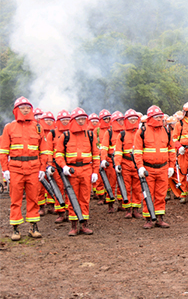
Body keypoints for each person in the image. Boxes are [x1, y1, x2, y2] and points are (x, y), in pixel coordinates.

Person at [0, 97, 48, 241]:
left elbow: (44, 150)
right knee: (15, 199)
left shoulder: (38, 127)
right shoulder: (9, 127)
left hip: (33, 168)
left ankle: (33, 228)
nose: (26, 110)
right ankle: (16, 229)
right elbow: (3, 151)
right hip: (15, 168)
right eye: (22, 107)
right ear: (16, 110)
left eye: (28, 107)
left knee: (33, 198)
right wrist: (5, 169)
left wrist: (42, 168)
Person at [55, 108, 100, 236]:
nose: (81, 121)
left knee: (85, 198)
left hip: (87, 169)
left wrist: (95, 171)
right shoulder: (65, 136)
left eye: (83, 119)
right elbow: (58, 154)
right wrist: (64, 167)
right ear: (73, 120)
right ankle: (74, 226)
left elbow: (96, 155)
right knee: (72, 198)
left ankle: (84, 225)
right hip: (72, 171)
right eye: (78, 118)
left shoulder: (91, 135)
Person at [133, 105, 176, 228]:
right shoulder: (142, 131)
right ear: (150, 117)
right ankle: (148, 219)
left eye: (160, 117)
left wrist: (171, 166)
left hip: (163, 168)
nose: (159, 119)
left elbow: (171, 149)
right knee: (148, 194)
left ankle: (160, 218)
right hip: (148, 169)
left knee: (161, 194)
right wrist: (140, 167)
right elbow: (138, 152)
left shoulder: (166, 130)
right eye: (156, 117)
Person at [113, 109, 143, 219]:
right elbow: (118, 151)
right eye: (131, 119)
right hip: (125, 164)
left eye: (135, 119)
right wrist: (117, 164)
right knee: (125, 188)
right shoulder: (122, 134)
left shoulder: (140, 133)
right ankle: (128, 210)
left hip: (137, 165)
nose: (133, 121)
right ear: (127, 120)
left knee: (137, 188)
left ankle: (135, 209)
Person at [99, 111, 125, 213]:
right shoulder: (109, 133)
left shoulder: (125, 132)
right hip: (111, 161)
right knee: (111, 183)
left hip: (123, 161)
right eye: (119, 120)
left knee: (121, 183)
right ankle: (110, 204)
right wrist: (103, 160)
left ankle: (121, 203)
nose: (121, 122)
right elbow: (104, 148)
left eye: (122, 120)